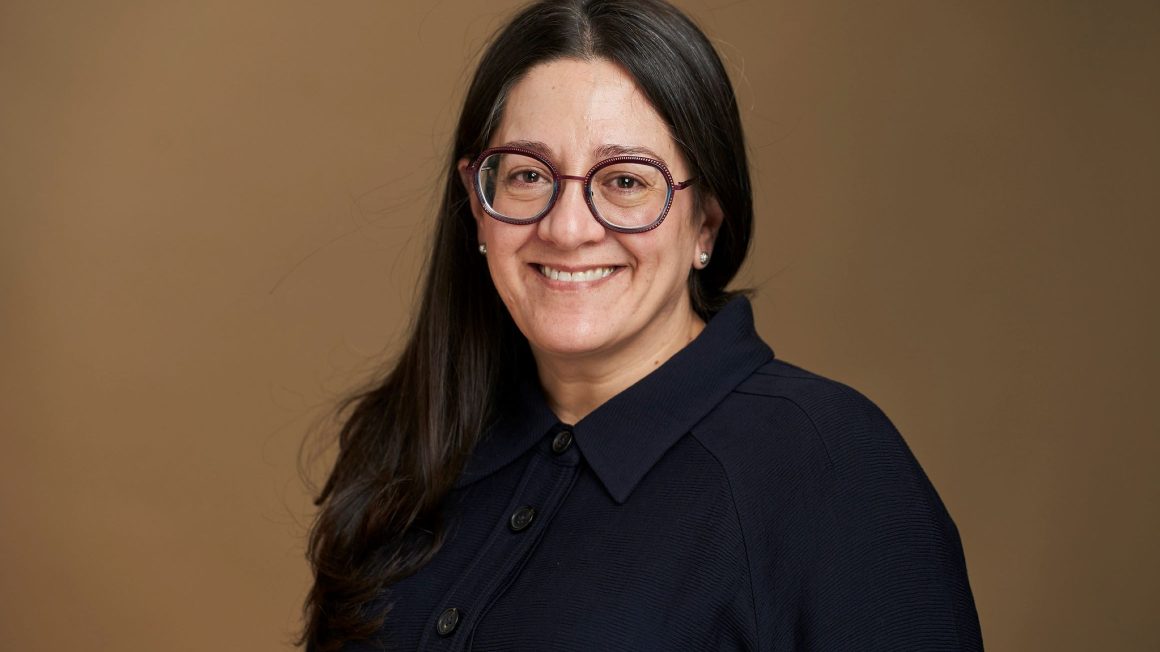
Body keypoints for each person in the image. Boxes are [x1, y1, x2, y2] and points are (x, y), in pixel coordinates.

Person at [300, 1, 983, 650]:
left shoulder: (832, 466)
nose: (568, 229)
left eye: (627, 180)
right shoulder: (409, 446)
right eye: (529, 175)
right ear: (477, 203)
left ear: (705, 224)